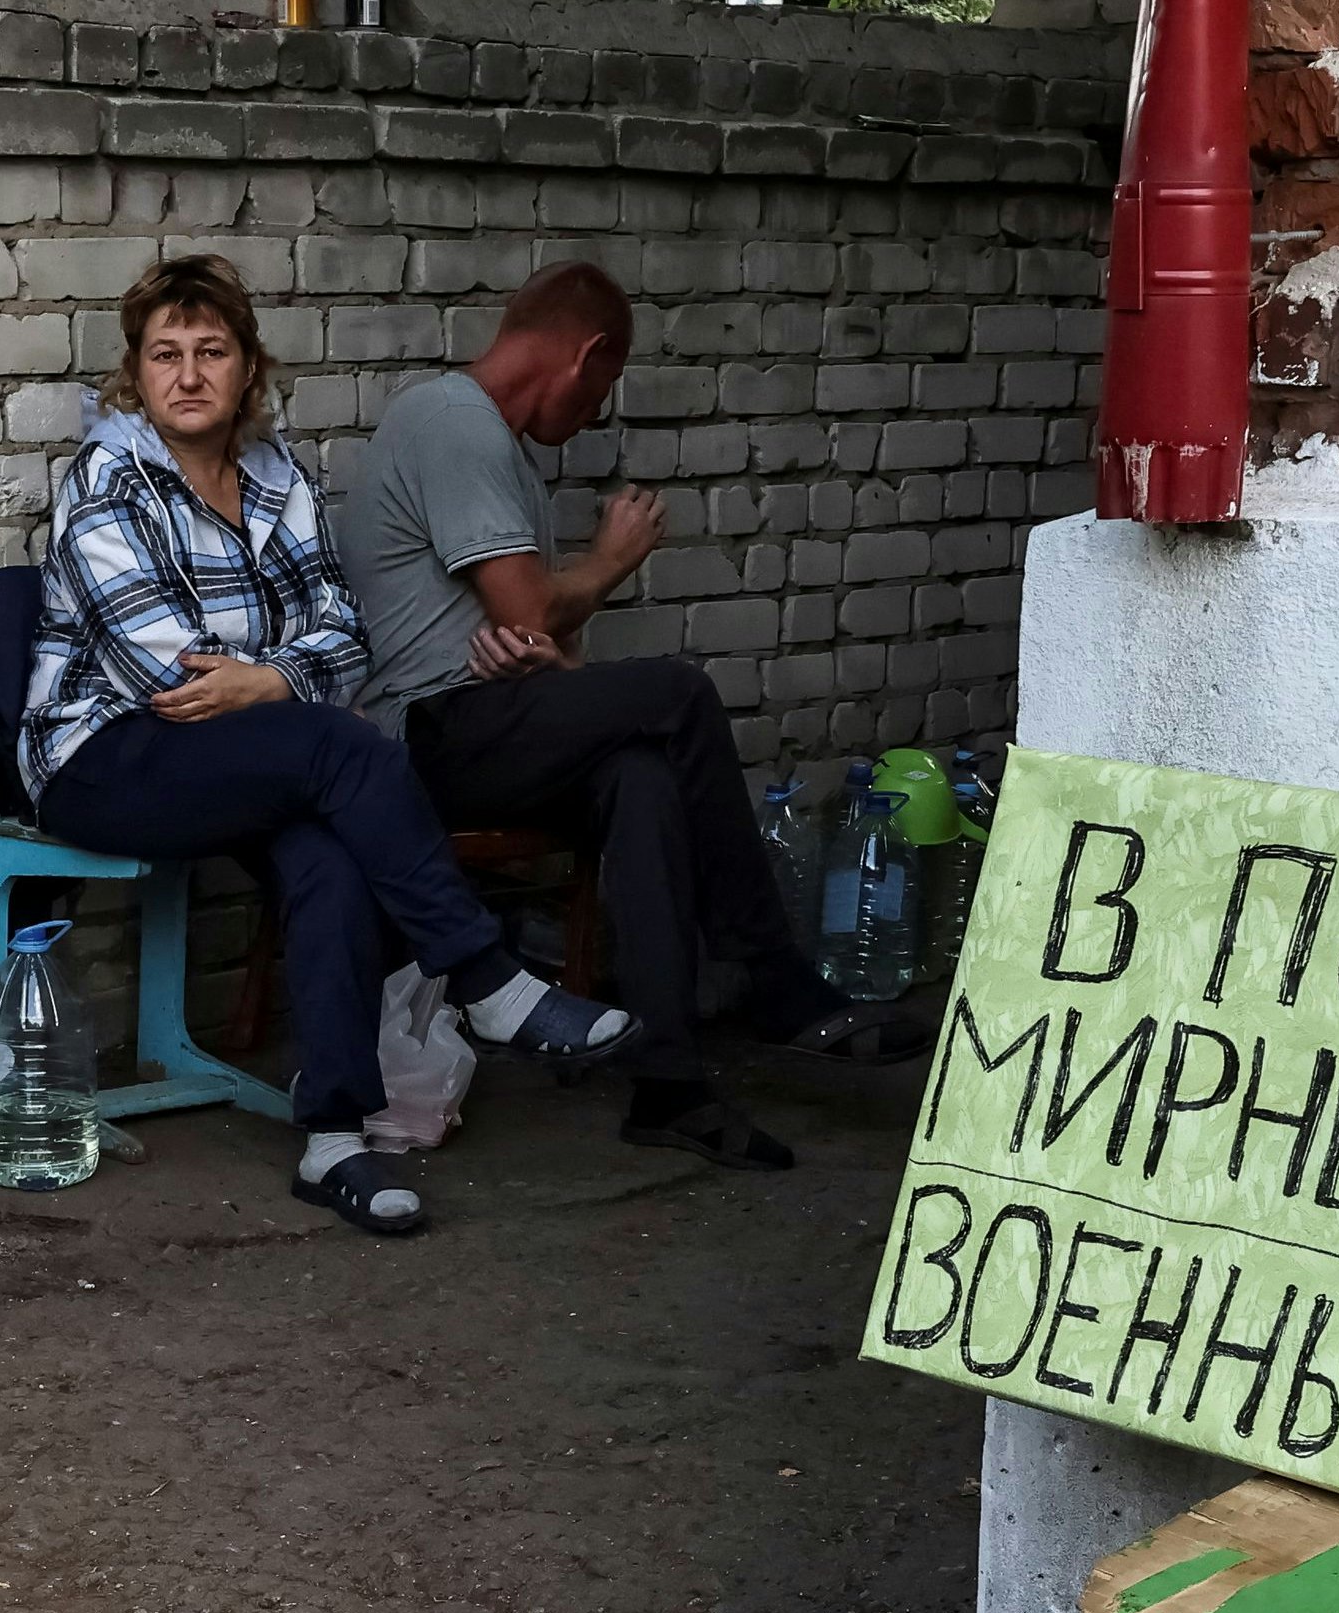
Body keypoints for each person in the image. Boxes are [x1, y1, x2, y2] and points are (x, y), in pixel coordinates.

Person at [23, 255, 633, 1236]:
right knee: (334, 750)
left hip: (247, 751)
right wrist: (288, 680)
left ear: (247, 368)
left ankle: (334, 1140)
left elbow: (348, 633)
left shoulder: (276, 477)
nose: (187, 375)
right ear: (133, 374)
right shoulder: (105, 480)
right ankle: (489, 981)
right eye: (164, 355)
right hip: (106, 758)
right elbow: (164, 677)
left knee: (328, 856)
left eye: (210, 352)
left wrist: (270, 677)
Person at [342, 261, 932, 1175]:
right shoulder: (454, 424)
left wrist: (542, 652)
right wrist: (611, 561)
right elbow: (530, 608)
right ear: (588, 355)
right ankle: (772, 981)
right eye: (605, 388)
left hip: (496, 720)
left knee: (645, 778)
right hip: (425, 738)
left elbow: (527, 635)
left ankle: (670, 1084)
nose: (594, 412)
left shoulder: (493, 447)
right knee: (678, 691)